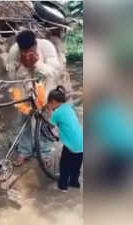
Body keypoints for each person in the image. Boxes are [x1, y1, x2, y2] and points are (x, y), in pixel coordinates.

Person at [7, 30, 62, 166]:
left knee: (45, 121)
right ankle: (24, 151)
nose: (26, 53)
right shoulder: (14, 51)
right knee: (23, 120)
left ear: (35, 44)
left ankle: (44, 153)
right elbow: (11, 76)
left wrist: (37, 64)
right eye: (23, 51)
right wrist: (22, 66)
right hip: (24, 89)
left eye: (29, 50)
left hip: (46, 89)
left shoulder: (47, 46)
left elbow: (54, 72)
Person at [47, 86, 83, 192]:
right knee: (75, 167)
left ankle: (62, 187)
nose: (49, 105)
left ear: (53, 101)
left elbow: (50, 125)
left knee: (64, 167)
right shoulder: (68, 107)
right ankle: (74, 183)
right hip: (81, 144)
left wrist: (49, 113)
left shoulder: (57, 113)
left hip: (70, 146)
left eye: (49, 103)